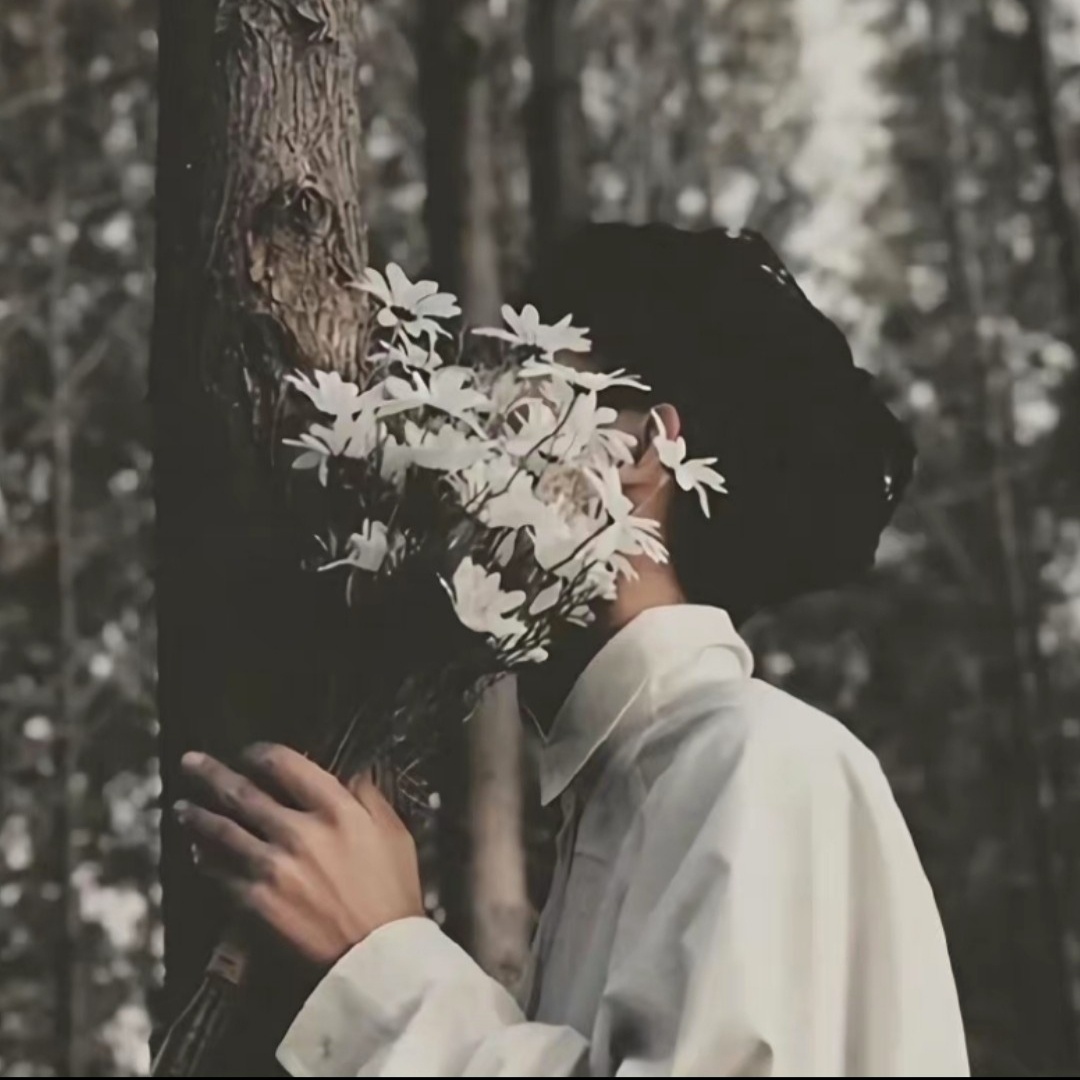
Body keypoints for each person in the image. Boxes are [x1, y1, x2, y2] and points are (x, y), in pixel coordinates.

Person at [174, 224, 970, 1076]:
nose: (468, 418)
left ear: (640, 450)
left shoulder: (762, 761)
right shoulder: (623, 798)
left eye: (514, 375)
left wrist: (383, 967)